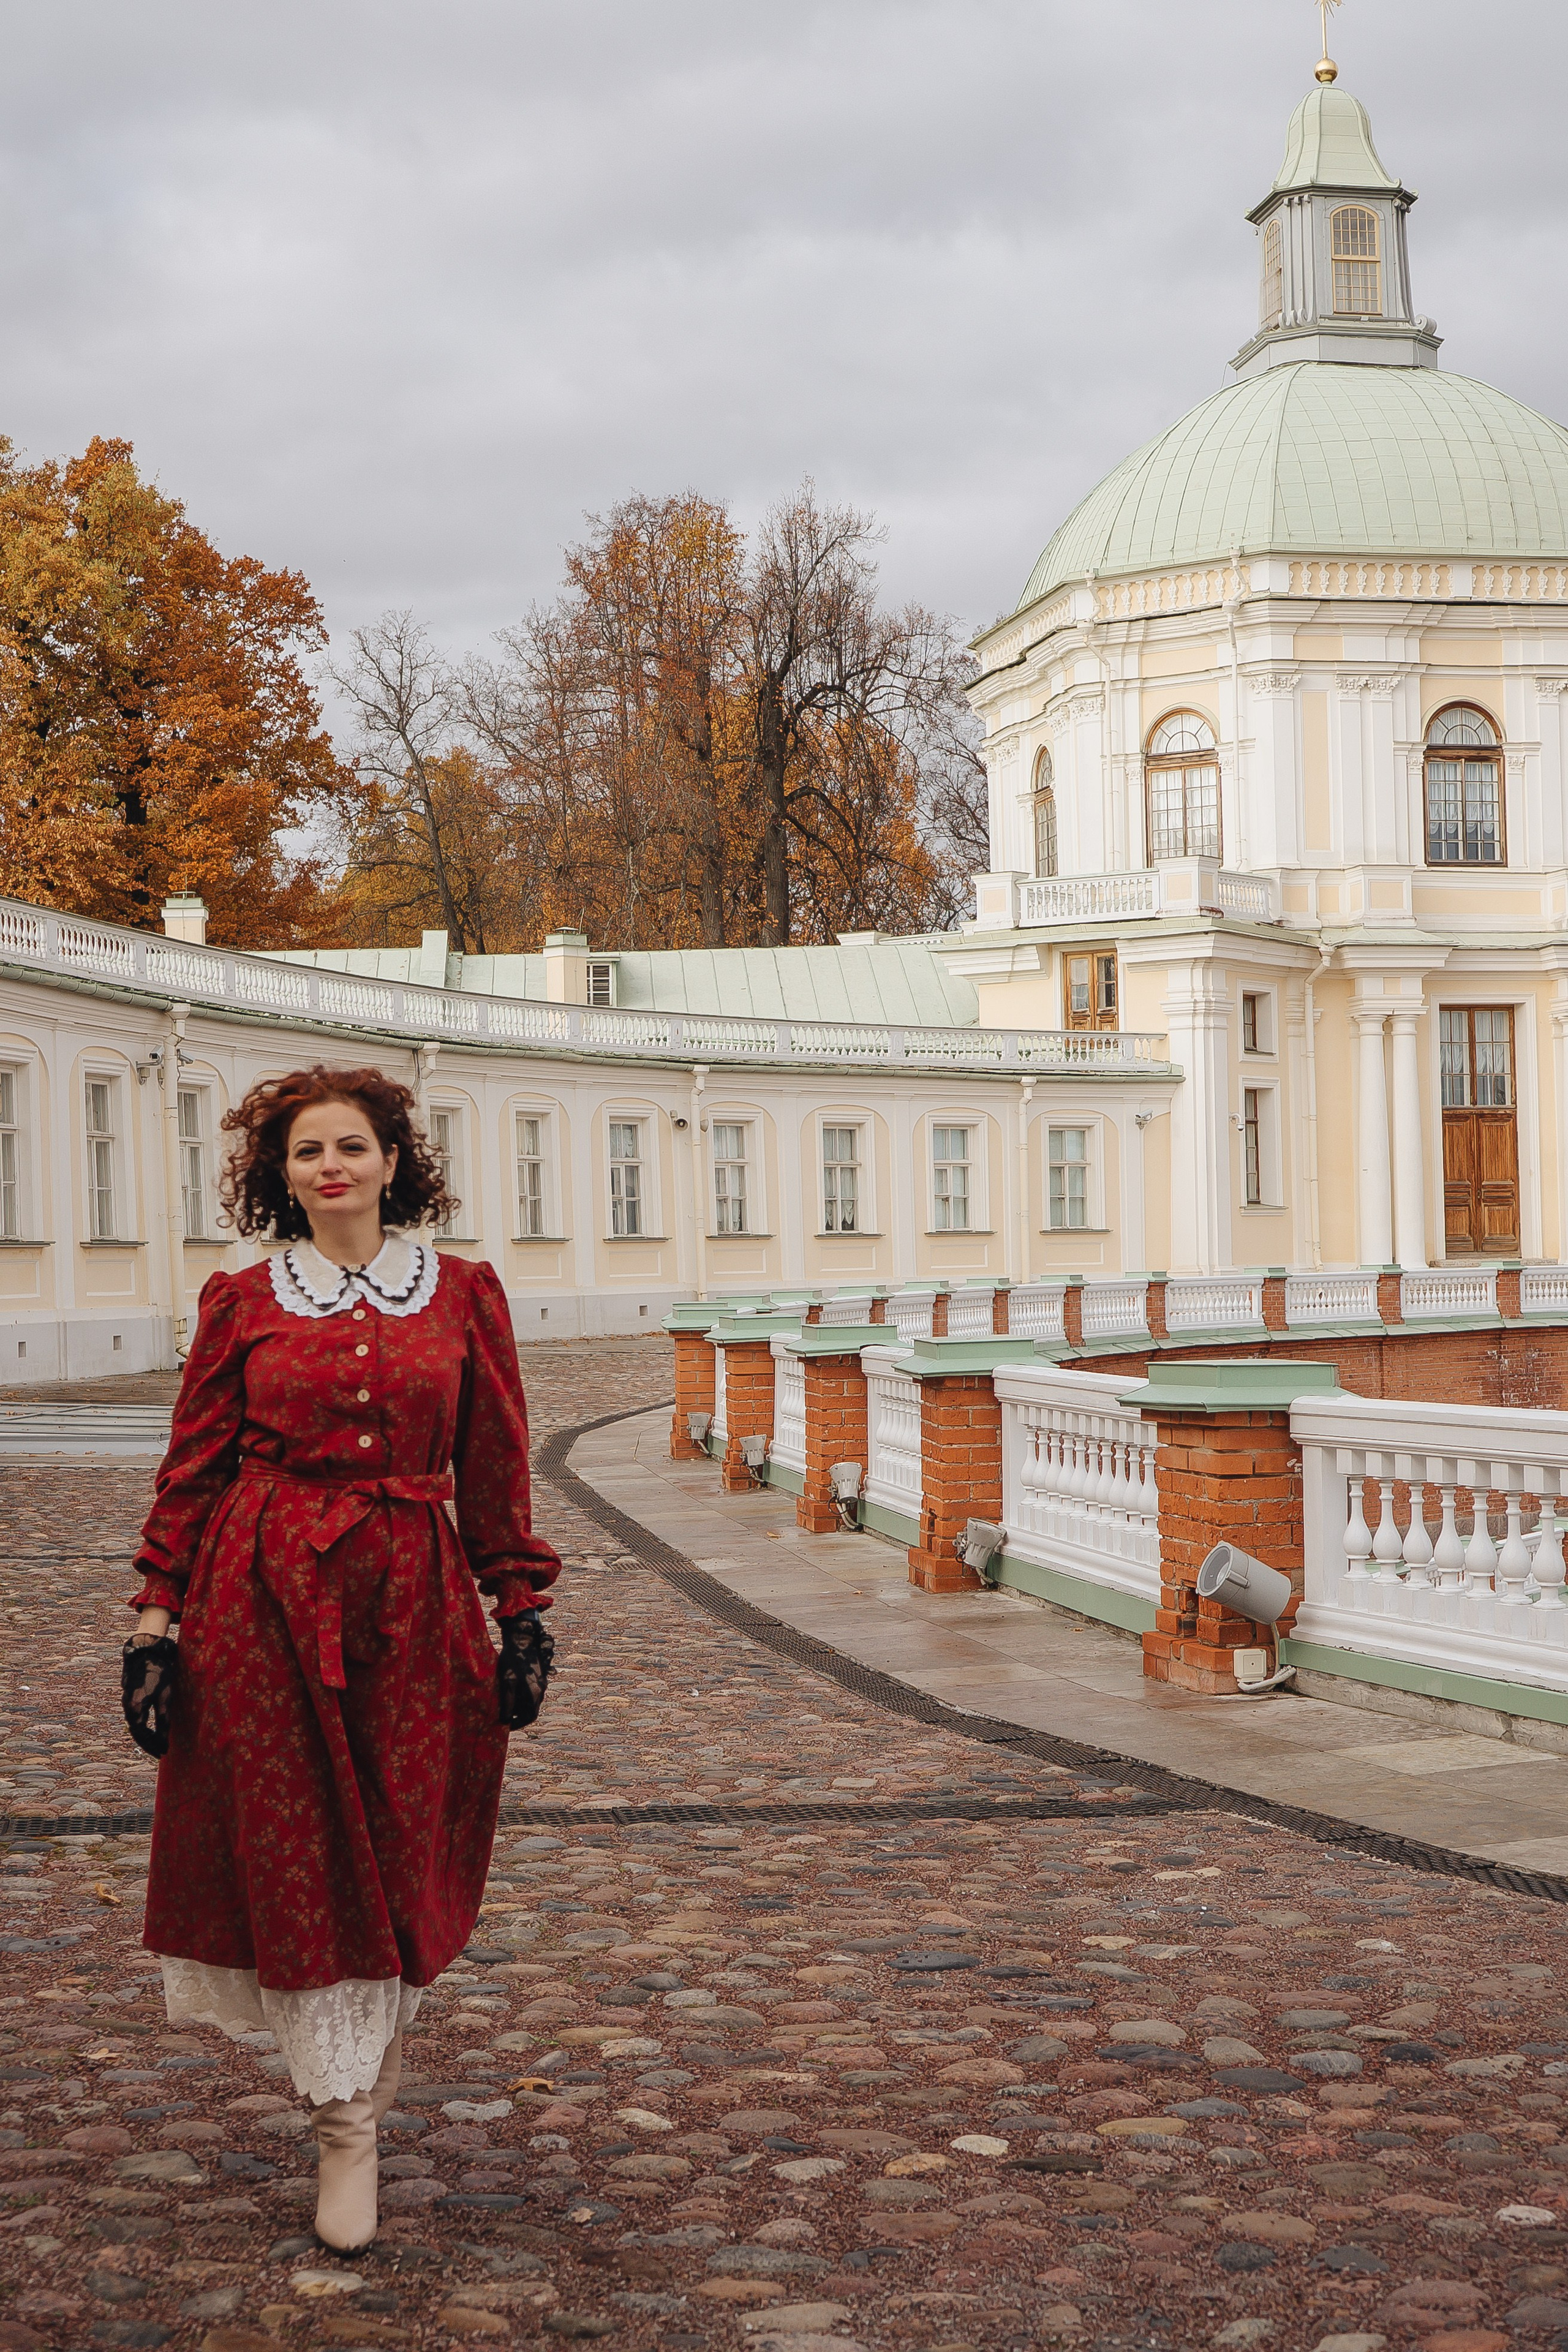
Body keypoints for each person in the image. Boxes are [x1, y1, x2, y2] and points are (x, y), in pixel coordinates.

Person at [119, 1065, 559, 2252]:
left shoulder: (463, 1294)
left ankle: (369, 2063)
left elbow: (495, 1458)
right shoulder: (242, 1300)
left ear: (389, 1161)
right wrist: (155, 1622)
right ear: (280, 1178)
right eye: (307, 1152)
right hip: (262, 1598)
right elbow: (195, 1464)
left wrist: (517, 1605)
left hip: (415, 1601)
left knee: (408, 1842)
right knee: (299, 1856)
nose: (331, 1168)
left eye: (351, 1147)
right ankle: (344, 2130)